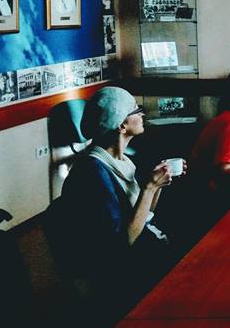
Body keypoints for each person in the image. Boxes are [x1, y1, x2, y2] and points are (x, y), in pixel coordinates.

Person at [47, 87, 179, 306]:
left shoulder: (121, 161)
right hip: (120, 274)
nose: (142, 114)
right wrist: (148, 189)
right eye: (136, 110)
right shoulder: (92, 173)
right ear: (121, 125)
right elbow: (122, 243)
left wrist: (158, 185)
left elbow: (145, 215)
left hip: (139, 252)